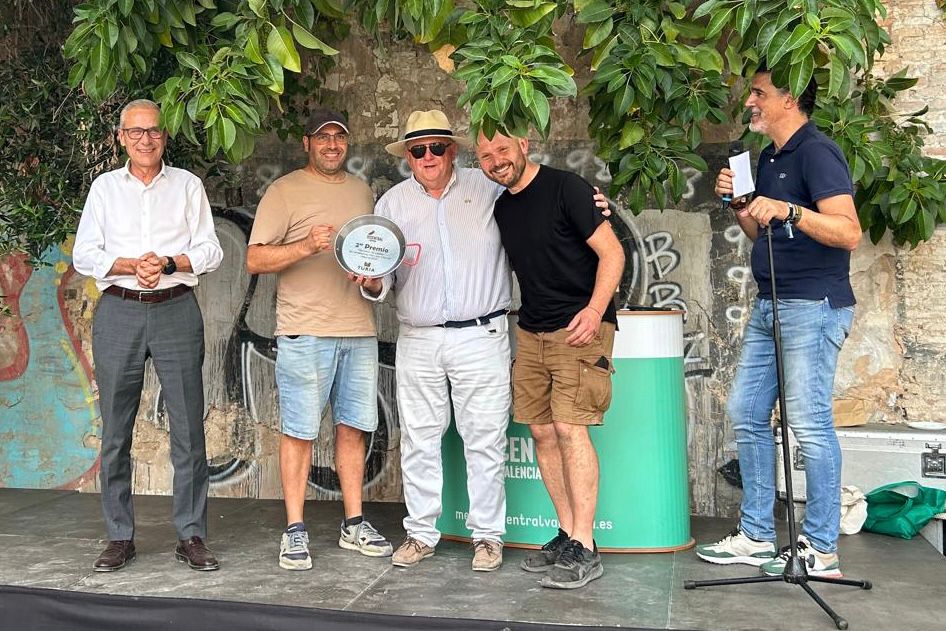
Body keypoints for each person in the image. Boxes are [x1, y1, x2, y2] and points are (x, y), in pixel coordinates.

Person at [695, 62, 861, 577]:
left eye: (759, 93)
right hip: (771, 303)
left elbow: (849, 232)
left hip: (813, 305)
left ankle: (821, 548)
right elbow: (759, 234)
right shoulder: (768, 156)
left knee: (809, 423)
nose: (750, 101)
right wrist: (741, 204)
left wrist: (791, 211)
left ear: (790, 100)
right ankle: (757, 535)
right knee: (746, 411)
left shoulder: (817, 152)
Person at [73, 99, 223, 572]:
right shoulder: (104, 189)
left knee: (189, 429)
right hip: (119, 311)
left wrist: (169, 263)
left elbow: (211, 250)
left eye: (154, 131)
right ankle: (120, 536)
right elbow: (85, 254)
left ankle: (191, 535)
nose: (145, 139)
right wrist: (128, 265)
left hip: (176, 309)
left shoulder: (187, 185)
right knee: (115, 430)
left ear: (164, 136)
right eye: (135, 132)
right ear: (121, 137)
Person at [475, 131, 625, 590]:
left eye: (503, 149)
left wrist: (595, 311)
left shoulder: (567, 189)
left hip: (580, 327)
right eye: (485, 155)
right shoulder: (502, 207)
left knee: (569, 428)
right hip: (532, 331)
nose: (496, 161)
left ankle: (586, 544)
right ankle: (566, 533)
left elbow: (613, 253)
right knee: (541, 431)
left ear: (524, 144)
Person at [246, 108, 393, 571]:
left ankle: (354, 523)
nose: (332, 145)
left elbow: (373, 257)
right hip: (305, 331)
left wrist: (372, 280)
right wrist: (306, 246)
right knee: (299, 431)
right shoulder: (284, 191)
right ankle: (294, 529)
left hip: (358, 330)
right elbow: (254, 259)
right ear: (307, 142)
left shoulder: (361, 191)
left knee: (354, 428)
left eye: (339, 137)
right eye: (323, 137)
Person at [370, 110, 512, 572]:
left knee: (485, 439)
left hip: (482, 334)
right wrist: (370, 282)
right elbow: (382, 276)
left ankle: (488, 537)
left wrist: (592, 205)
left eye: (436, 147)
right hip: (419, 337)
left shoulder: (488, 187)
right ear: (407, 156)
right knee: (419, 440)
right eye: (418, 150)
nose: (427, 156)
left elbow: (537, 203)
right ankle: (420, 534)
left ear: (452, 150)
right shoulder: (391, 204)